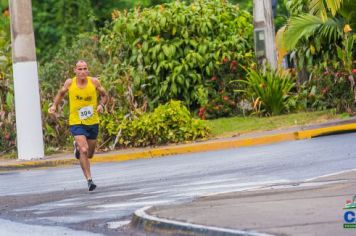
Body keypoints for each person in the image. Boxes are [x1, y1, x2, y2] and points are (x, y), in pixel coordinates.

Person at [48, 60, 108, 191]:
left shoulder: (94, 82)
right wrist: (54, 106)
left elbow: (104, 95)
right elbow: (61, 93)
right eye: (79, 69)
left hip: (92, 121)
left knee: (90, 154)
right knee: (84, 150)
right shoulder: (70, 83)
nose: (82, 71)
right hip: (76, 121)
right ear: (75, 70)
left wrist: (101, 105)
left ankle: (77, 148)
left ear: (88, 70)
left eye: (85, 69)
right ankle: (89, 180)